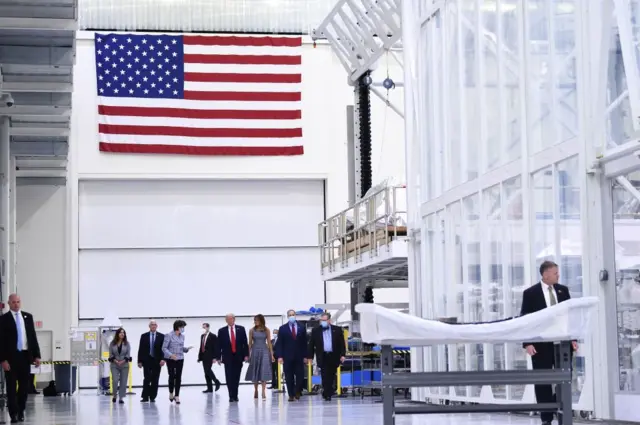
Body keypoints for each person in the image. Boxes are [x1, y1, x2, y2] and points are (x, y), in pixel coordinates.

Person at [520, 260, 578, 425]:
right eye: (555, 273)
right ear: (545, 274)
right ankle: (546, 417)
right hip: (540, 345)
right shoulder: (530, 293)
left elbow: (570, 316)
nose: (558, 276)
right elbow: (526, 320)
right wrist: (527, 343)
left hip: (562, 344)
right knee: (543, 381)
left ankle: (556, 407)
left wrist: (573, 338)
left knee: (566, 378)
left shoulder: (562, 291)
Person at [0, 294, 41, 423]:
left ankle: (21, 410)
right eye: (13, 302)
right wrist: (2, 360)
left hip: (25, 356)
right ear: (9, 303)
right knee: (11, 388)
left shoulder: (28, 317)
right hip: (10, 358)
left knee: (24, 387)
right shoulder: (3, 319)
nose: (16, 304)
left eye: (18, 302)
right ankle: (13, 414)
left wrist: (37, 355)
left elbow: (32, 337)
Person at [308, 312, 345, 401]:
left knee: (331, 375)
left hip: (333, 355)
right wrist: (310, 357)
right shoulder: (316, 331)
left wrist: (343, 355)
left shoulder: (337, 330)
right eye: (322, 320)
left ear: (329, 320)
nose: (323, 322)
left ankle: (327, 392)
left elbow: (342, 344)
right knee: (324, 375)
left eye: (325, 320)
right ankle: (327, 393)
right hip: (323, 355)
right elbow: (311, 345)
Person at [275, 309, 308, 401]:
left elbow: (305, 343)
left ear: (295, 315)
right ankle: (291, 394)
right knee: (289, 376)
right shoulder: (282, 328)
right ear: (288, 316)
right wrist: (280, 356)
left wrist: (306, 356)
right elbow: (279, 343)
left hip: (299, 356)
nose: (292, 316)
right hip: (287, 356)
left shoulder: (301, 327)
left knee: (300, 375)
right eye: (290, 315)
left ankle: (297, 390)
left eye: (293, 314)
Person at [216, 313, 249, 402]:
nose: (230, 320)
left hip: (238, 357)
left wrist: (246, 355)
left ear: (234, 319)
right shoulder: (222, 331)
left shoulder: (241, 329)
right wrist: (218, 357)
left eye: (231, 319)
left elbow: (245, 343)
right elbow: (219, 345)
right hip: (227, 357)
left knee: (236, 377)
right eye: (228, 319)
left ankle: (235, 394)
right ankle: (231, 395)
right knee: (229, 376)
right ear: (226, 320)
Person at [162, 319, 193, 404]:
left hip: (180, 358)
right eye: (182, 327)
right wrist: (171, 355)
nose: (183, 329)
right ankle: (171, 392)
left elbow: (180, 347)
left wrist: (186, 349)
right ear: (177, 327)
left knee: (178, 377)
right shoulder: (168, 335)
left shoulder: (182, 336)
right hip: (171, 358)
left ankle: (177, 396)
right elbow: (164, 348)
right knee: (172, 375)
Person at [245, 314, 274, 399]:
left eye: (257, 320)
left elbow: (269, 343)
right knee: (255, 371)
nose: (255, 322)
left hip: (264, 351)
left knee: (263, 370)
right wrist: (248, 354)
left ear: (261, 320)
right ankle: (256, 390)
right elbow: (250, 343)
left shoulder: (266, 330)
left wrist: (271, 354)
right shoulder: (251, 330)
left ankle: (263, 391)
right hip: (255, 351)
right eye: (254, 320)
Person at [137, 320, 165, 402]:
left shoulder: (162, 336)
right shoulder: (144, 336)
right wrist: (139, 361)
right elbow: (141, 349)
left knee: (155, 379)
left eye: (155, 325)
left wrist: (163, 359)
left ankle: (153, 396)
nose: (153, 326)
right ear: (149, 326)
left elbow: (163, 349)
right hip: (147, 360)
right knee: (147, 378)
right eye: (152, 325)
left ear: (157, 326)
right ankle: (145, 396)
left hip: (157, 360)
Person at [108, 327, 132, 404]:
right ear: (117, 334)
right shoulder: (112, 343)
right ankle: (115, 396)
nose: (122, 334)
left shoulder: (127, 343)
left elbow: (128, 354)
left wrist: (123, 361)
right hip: (114, 364)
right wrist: (115, 361)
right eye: (120, 332)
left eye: (123, 332)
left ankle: (121, 398)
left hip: (124, 365)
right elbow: (110, 354)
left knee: (123, 381)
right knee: (115, 380)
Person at [198, 322, 221, 393]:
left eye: (205, 327)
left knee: (208, 370)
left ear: (208, 327)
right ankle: (209, 388)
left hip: (210, 356)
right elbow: (201, 346)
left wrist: (215, 357)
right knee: (206, 372)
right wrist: (199, 357)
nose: (204, 329)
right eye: (203, 327)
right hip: (204, 356)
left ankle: (216, 381)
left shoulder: (213, 336)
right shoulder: (202, 336)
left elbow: (216, 347)